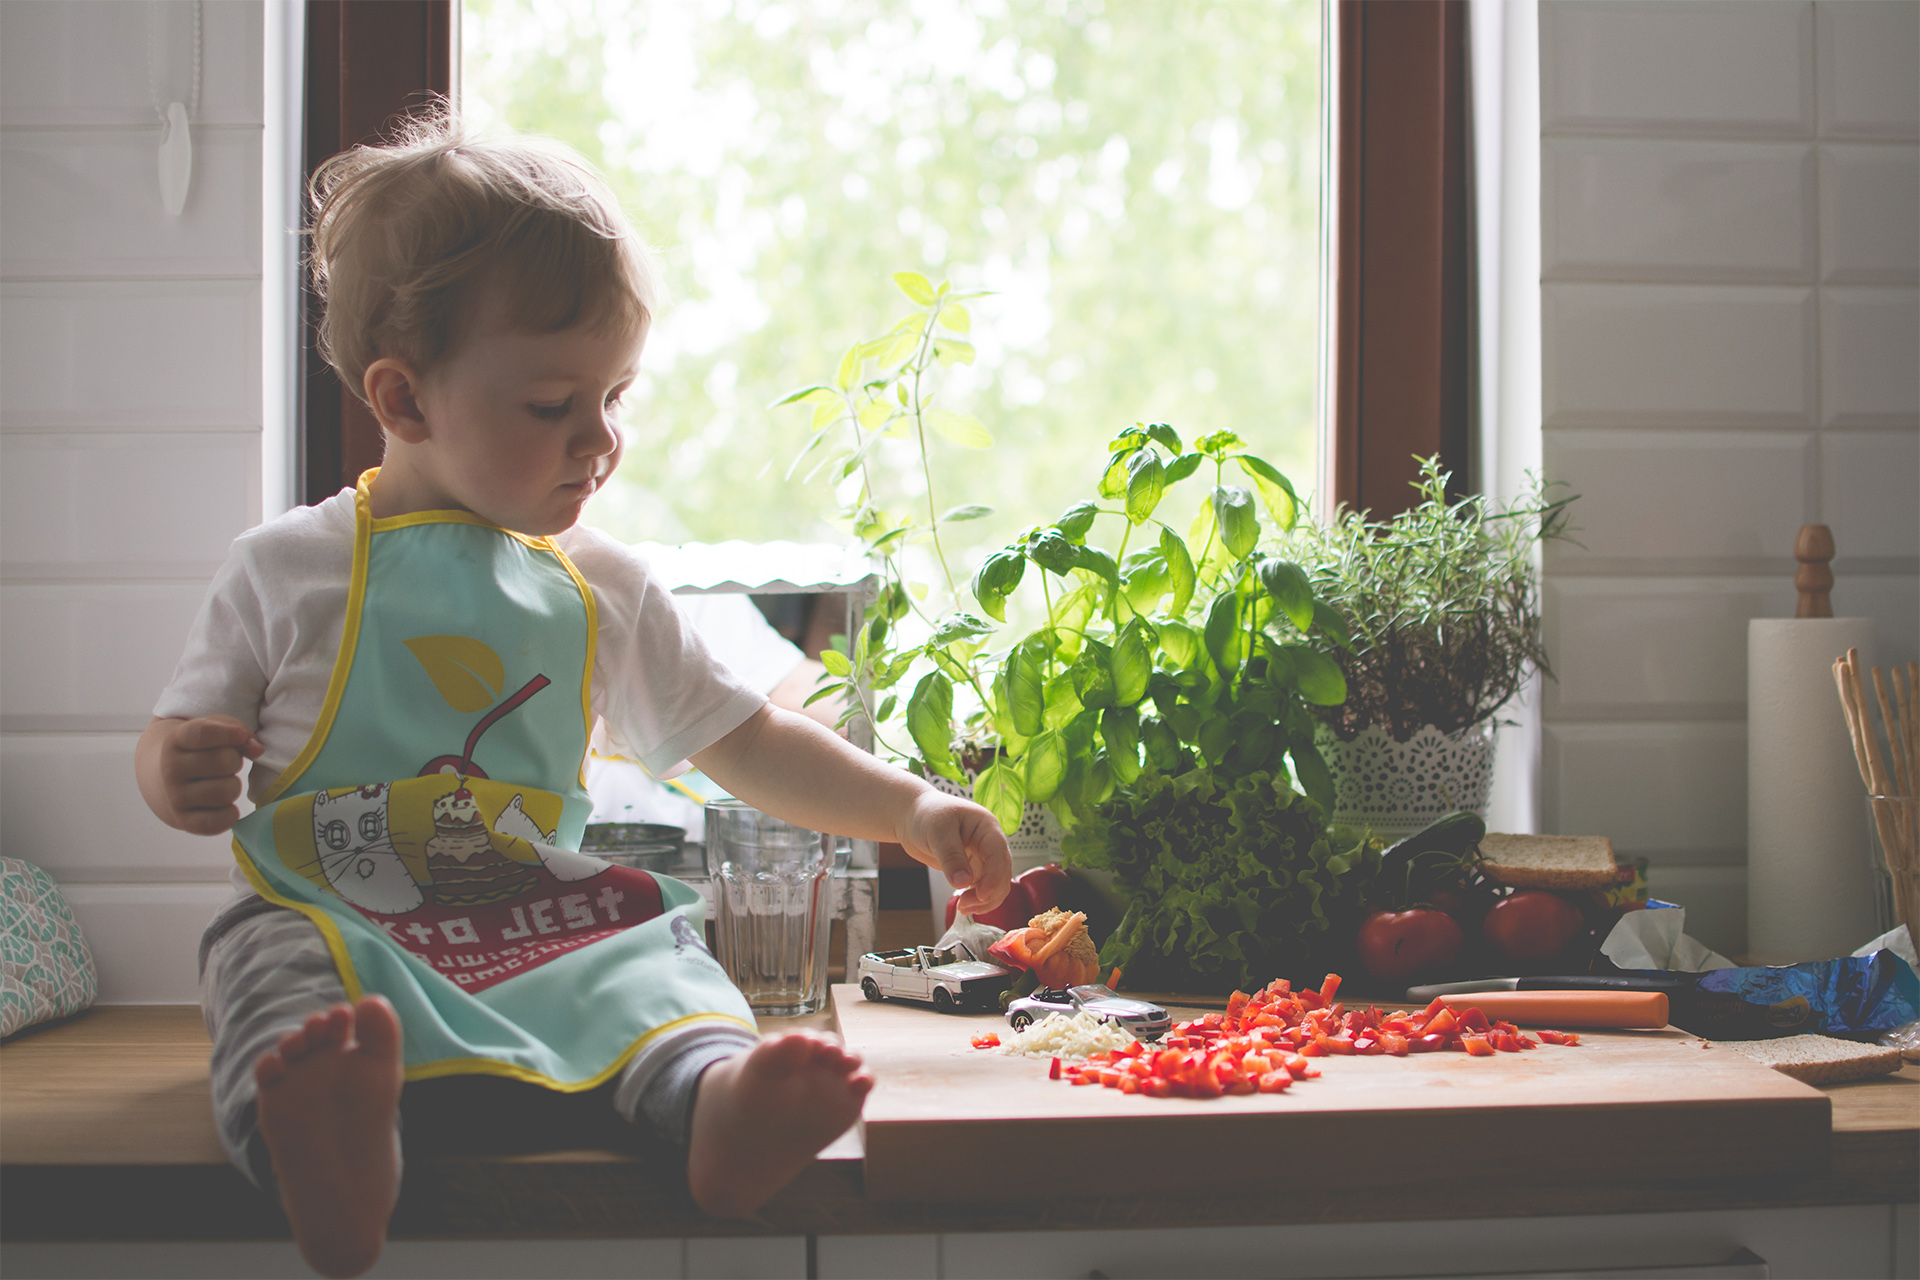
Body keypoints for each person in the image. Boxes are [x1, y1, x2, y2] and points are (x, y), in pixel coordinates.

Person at [134, 116, 1011, 1280]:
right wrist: (175, 766)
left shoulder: (601, 582)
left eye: (615, 396)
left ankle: (715, 1104)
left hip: (530, 908)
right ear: (404, 400)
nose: (598, 440)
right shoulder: (283, 568)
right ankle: (333, 1146)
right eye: (553, 404)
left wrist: (907, 807)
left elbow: (743, 739)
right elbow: (172, 735)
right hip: (332, 906)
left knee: (656, 952)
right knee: (270, 978)